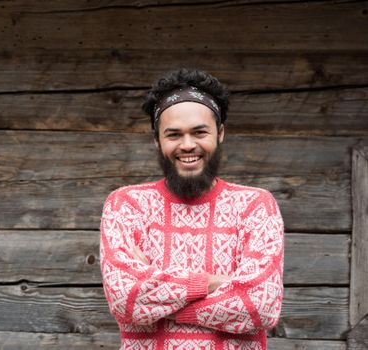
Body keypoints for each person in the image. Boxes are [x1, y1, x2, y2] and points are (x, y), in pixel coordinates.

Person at [100, 68, 284, 349]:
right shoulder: (127, 206)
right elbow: (125, 300)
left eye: (199, 132)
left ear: (220, 133)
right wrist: (211, 283)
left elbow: (261, 306)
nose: (187, 145)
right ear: (156, 140)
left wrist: (158, 298)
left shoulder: (255, 206)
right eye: (173, 135)